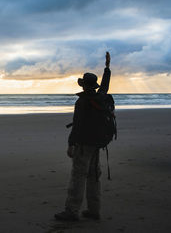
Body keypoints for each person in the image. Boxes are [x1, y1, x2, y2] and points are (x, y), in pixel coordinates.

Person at [55, 51, 111, 221]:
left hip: (83, 143)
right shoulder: (100, 96)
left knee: (78, 177)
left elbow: (77, 125)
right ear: (93, 86)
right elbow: (105, 86)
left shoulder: (82, 102)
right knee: (94, 176)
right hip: (97, 143)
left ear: (83, 86)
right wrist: (107, 68)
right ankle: (94, 210)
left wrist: (71, 144)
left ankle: (72, 211)